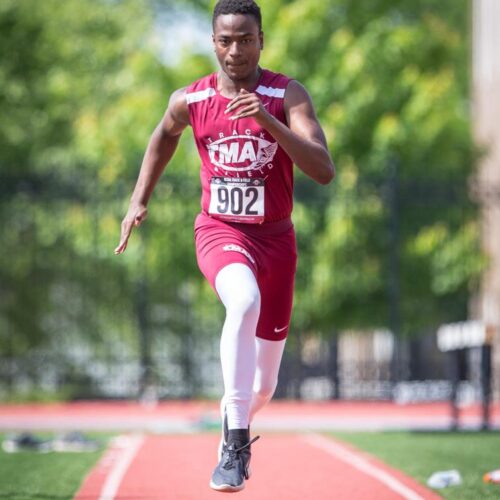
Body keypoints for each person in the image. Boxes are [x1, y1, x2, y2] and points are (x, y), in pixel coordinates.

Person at [115, 0, 335, 492]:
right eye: (225, 40)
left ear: (262, 41)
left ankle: (233, 412)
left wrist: (268, 121)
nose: (235, 50)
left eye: (246, 40)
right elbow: (162, 136)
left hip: (276, 241)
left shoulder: (286, 94)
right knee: (243, 300)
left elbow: (323, 170)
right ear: (214, 43)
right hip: (221, 231)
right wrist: (137, 200)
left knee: (264, 387)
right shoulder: (191, 100)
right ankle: (236, 443)